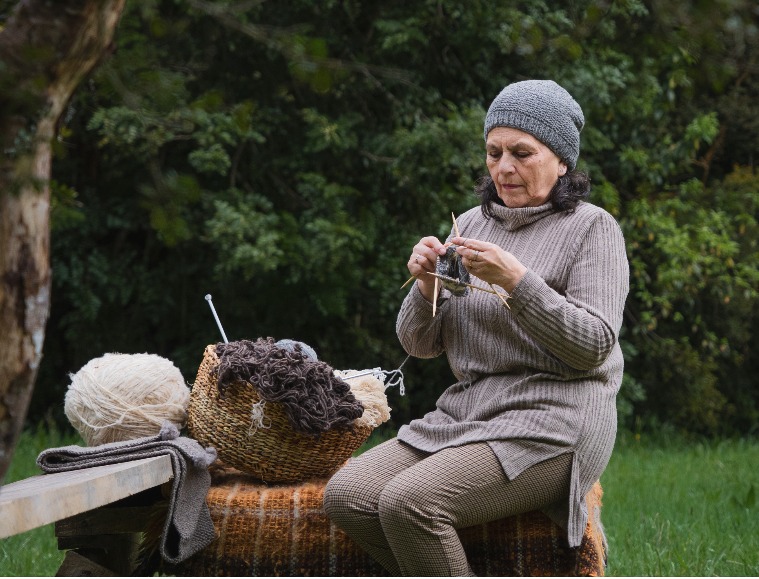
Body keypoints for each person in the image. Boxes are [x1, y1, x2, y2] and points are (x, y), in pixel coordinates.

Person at [323, 79, 629, 576]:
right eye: (494, 152)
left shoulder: (593, 228)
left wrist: (516, 281)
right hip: (470, 413)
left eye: (522, 153)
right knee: (347, 494)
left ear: (562, 161)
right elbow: (419, 345)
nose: (504, 167)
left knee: (411, 503)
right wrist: (425, 284)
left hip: (557, 420)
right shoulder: (470, 224)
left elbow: (592, 346)